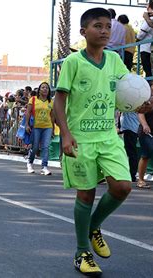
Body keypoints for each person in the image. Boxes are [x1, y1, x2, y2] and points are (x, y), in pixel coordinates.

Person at [54, 8, 133, 275]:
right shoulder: (73, 62)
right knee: (86, 193)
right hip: (81, 139)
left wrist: (144, 102)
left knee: (122, 186)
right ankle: (81, 252)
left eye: (108, 26)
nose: (104, 31)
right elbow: (59, 99)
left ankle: (92, 226)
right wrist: (65, 133)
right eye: (98, 26)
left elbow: (129, 89)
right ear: (83, 32)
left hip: (108, 137)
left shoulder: (114, 60)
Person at [25, 82, 54, 175]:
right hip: (36, 127)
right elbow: (28, 112)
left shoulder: (51, 102)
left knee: (46, 147)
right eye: (43, 87)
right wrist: (27, 125)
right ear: (39, 90)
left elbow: (52, 116)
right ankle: (30, 162)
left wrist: (53, 128)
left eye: (47, 88)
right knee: (35, 147)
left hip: (47, 127)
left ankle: (44, 167)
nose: (45, 89)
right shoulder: (33, 99)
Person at [137, 80, 153, 189]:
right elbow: (141, 113)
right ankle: (141, 180)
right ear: (150, 87)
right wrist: (145, 125)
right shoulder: (147, 99)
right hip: (148, 133)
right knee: (146, 156)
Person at [137, 8, 153, 78]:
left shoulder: (151, 19)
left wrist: (137, 39)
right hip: (151, 48)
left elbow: (142, 33)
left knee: (148, 70)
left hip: (146, 48)